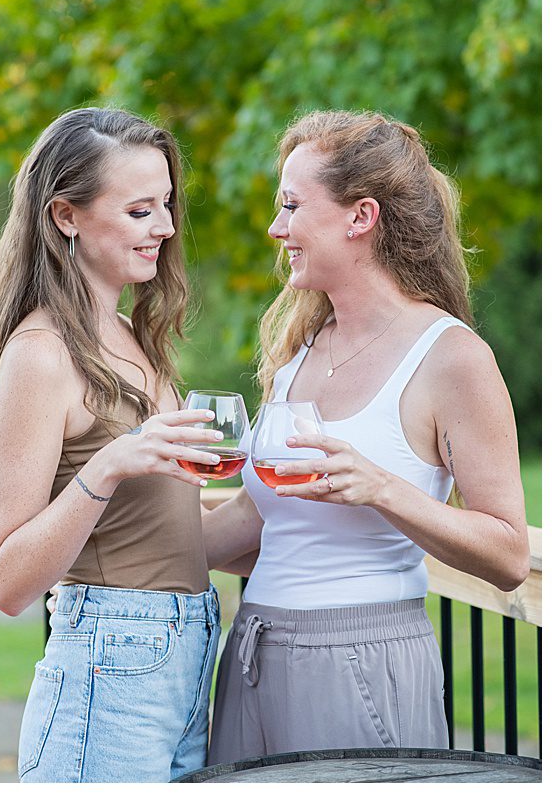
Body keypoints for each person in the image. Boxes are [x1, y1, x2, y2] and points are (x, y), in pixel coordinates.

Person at [201, 110, 530, 764]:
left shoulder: (452, 357)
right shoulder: (299, 349)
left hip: (361, 660)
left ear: (361, 217)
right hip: (253, 652)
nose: (276, 228)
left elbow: (509, 552)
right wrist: (119, 522)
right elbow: (257, 518)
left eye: (292, 205)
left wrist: (381, 488)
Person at [0, 107, 225, 782]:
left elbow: (175, 534)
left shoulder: (132, 339)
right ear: (65, 215)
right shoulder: (41, 354)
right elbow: (7, 579)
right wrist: (107, 467)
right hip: (114, 661)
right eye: (141, 210)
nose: (166, 228)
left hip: (186, 652)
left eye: (166, 205)